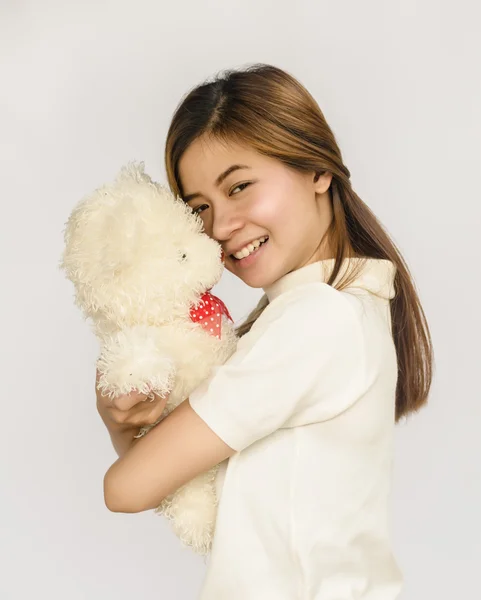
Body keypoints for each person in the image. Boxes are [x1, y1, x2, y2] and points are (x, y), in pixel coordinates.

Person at [96, 63, 434, 599]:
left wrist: (112, 421)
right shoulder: (327, 312)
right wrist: (126, 423)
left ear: (318, 169)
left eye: (240, 186)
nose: (222, 226)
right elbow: (170, 485)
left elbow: (126, 488)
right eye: (200, 208)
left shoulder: (315, 322)